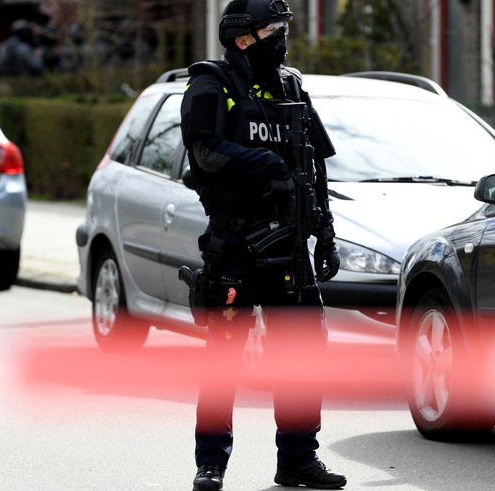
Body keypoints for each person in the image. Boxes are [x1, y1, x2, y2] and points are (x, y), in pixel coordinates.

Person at [179, 0, 346, 489]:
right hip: (236, 242)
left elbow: (316, 162)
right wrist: (265, 167)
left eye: (284, 29)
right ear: (244, 37)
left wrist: (327, 233)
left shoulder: (292, 85)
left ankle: (297, 459)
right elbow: (205, 151)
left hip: (291, 246)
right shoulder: (211, 82)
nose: (283, 38)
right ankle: (211, 463)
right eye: (275, 29)